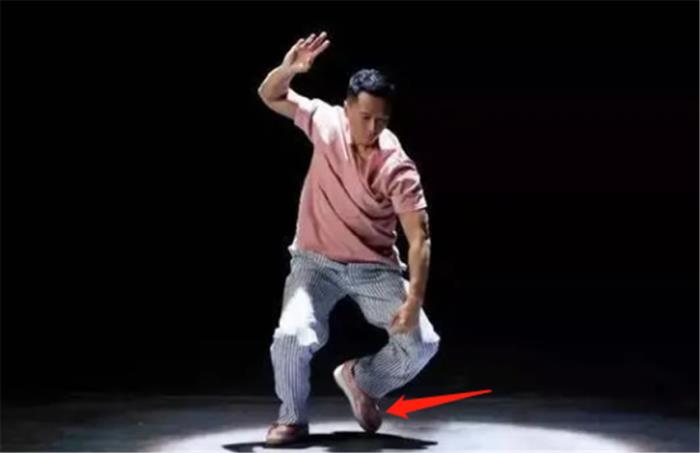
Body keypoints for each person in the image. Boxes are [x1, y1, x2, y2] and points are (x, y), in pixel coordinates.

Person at [257, 31, 441, 446]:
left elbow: (419, 238)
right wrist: (289, 69)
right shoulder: (325, 121)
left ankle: (362, 379)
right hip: (315, 262)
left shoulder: (397, 166)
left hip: (373, 268)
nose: (372, 128)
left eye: (382, 120)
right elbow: (270, 95)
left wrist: (414, 301)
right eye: (365, 117)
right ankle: (292, 419)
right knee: (290, 337)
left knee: (422, 344)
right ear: (347, 108)